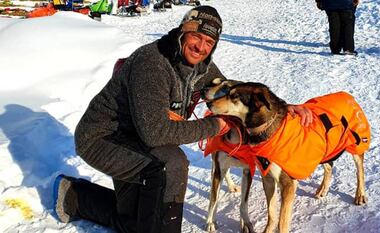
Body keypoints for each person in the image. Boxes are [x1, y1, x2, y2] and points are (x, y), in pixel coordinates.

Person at [53, 5, 312, 233]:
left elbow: (237, 91)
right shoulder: (152, 63)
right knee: (171, 163)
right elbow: (156, 134)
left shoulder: (201, 66)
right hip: (103, 139)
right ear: (182, 32)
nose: (201, 46)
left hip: (136, 140)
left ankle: (74, 197)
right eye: (196, 36)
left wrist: (279, 107)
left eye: (209, 43)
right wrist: (214, 125)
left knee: (139, 222)